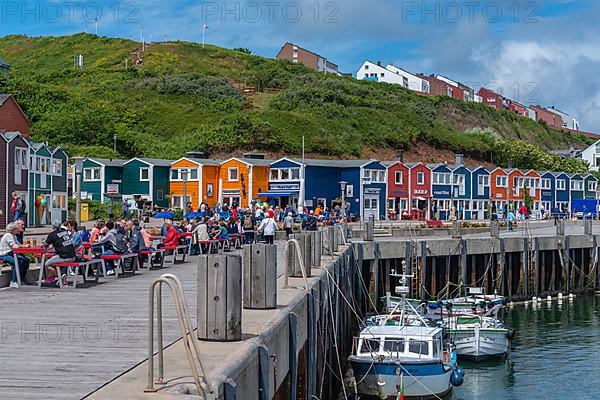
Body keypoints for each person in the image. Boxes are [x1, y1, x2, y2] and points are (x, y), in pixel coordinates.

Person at [0, 222, 29, 288]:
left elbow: (18, 244)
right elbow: (14, 246)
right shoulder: (8, 235)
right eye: (16, 229)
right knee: (17, 262)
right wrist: (23, 246)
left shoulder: (13, 236)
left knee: (26, 260)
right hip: (4, 254)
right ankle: (13, 281)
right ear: (12, 229)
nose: (17, 230)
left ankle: (21, 278)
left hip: (11, 254)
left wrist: (22, 246)